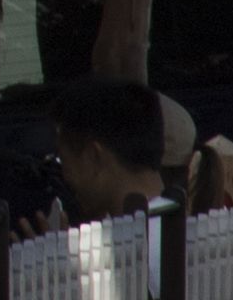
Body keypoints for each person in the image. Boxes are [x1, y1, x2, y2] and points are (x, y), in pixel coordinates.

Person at [34, 75, 170, 229]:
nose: (64, 177)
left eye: (63, 160)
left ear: (93, 156)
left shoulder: (131, 247)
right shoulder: (183, 227)